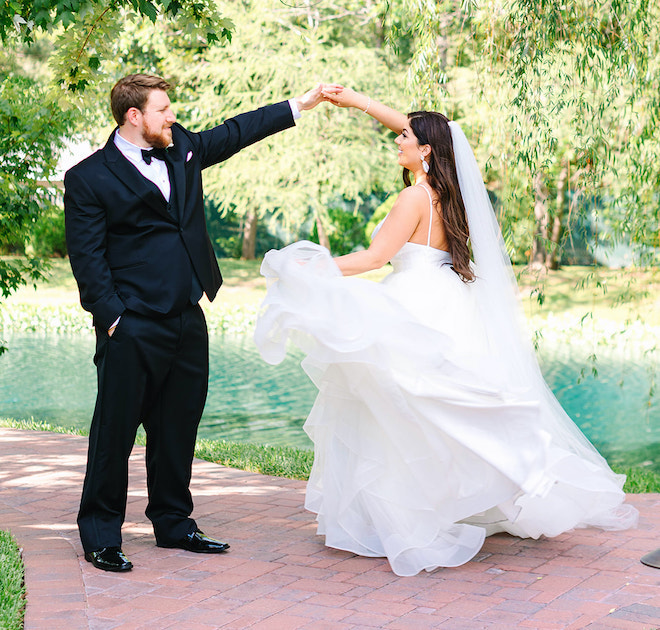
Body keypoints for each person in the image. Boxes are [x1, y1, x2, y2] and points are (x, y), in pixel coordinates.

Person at [254, 87, 639, 577]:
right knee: (433, 409)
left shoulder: (414, 196)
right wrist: (356, 101)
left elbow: (374, 259)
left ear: (426, 150)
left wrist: (311, 266)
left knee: (397, 410)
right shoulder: (449, 193)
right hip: (448, 302)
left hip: (413, 305)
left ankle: (404, 518)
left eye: (405, 137)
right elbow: (441, 131)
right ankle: (445, 500)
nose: (397, 140)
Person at [64, 73, 336, 572]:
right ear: (133, 116)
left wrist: (300, 104)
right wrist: (112, 319)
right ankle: (101, 535)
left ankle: (174, 524)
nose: (172, 115)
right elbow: (87, 258)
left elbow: (235, 132)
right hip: (132, 325)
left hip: (189, 317)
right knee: (114, 434)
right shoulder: (88, 177)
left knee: (177, 429)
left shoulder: (182, 147)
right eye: (163, 109)